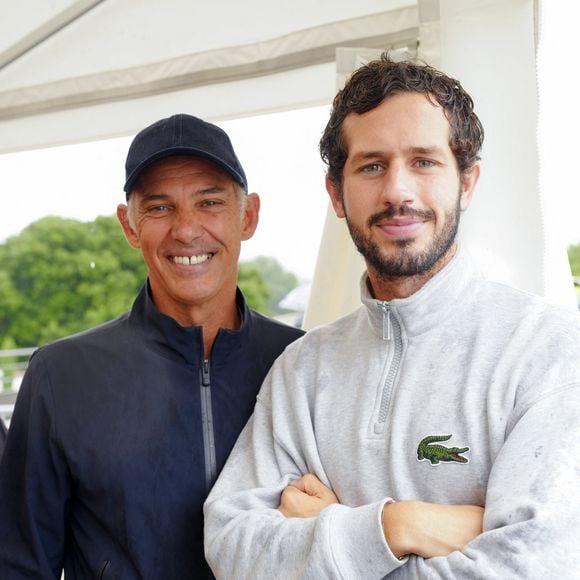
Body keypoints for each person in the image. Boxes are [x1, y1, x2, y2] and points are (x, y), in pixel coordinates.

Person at [204, 55, 580, 579]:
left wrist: (330, 527)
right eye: (372, 165)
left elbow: (534, 567)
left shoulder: (551, 351)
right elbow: (232, 548)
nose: (397, 192)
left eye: (424, 161)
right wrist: (400, 526)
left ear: (466, 182)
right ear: (337, 193)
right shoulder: (302, 370)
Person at [0, 114, 303, 578]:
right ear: (129, 226)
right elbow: (20, 565)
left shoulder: (303, 364)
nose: (186, 230)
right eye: (159, 208)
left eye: (209, 202)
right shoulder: (60, 375)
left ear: (249, 215)